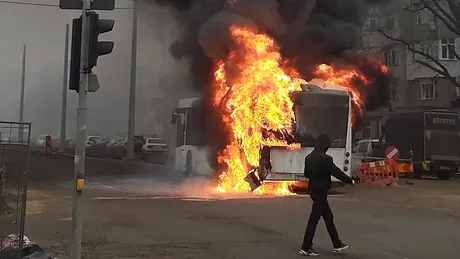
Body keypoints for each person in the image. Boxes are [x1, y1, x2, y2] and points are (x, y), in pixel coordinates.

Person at [300, 134, 355, 256]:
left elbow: (307, 174)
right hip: (321, 191)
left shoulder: (309, 158)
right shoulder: (326, 159)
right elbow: (337, 172)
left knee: (328, 217)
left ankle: (337, 244)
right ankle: (306, 247)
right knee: (314, 220)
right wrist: (349, 180)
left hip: (313, 190)